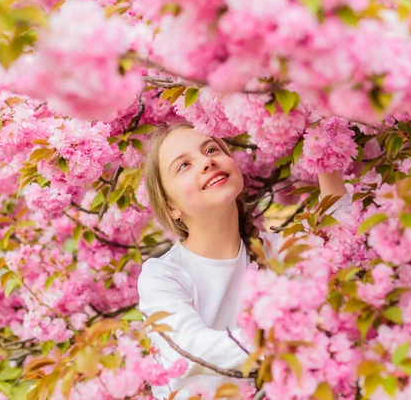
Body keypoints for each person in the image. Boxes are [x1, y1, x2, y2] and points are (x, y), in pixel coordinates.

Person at [138, 123, 349, 399]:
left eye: (211, 149)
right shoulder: (163, 275)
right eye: (184, 166)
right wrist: (289, 336)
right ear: (172, 208)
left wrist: (323, 143)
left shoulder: (275, 251)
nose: (207, 161)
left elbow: (341, 236)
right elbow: (189, 348)